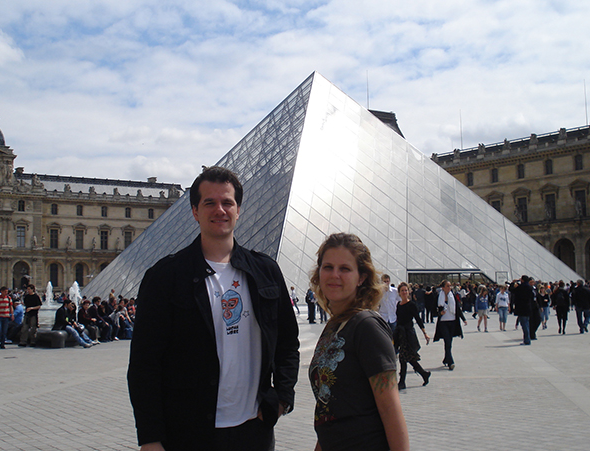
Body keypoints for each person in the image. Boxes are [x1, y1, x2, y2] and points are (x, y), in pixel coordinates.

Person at [128, 166, 300, 451]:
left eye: (227, 202)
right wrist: (150, 438)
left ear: (238, 209)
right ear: (195, 211)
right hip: (188, 432)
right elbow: (144, 365)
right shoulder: (165, 277)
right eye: (209, 203)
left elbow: (286, 341)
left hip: (253, 430)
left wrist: (282, 397)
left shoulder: (266, 271)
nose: (219, 210)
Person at [308, 233, 409, 451]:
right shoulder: (334, 326)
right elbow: (330, 410)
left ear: (361, 277)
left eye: (345, 269)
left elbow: (391, 412)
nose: (335, 275)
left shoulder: (367, 327)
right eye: (328, 267)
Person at [394, 282, 431, 390]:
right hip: (401, 334)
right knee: (408, 358)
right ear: (399, 293)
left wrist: (425, 333)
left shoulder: (411, 305)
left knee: (403, 358)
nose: (404, 292)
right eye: (402, 291)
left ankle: (402, 382)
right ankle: (424, 374)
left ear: (409, 292)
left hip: (408, 334)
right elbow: (398, 320)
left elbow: (418, 319)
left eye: (406, 290)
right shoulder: (398, 305)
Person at [433, 280, 467, 370]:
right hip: (443, 322)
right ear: (443, 287)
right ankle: (450, 362)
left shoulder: (453, 296)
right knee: (447, 341)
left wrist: (463, 319)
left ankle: (446, 359)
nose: (449, 287)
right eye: (447, 286)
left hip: (452, 321)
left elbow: (457, 309)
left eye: (450, 286)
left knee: (449, 342)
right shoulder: (439, 296)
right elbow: (435, 309)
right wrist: (440, 312)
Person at [512, 275, 535, 345]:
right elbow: (532, 296)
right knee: (527, 324)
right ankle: (527, 339)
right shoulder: (529, 287)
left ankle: (527, 340)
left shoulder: (520, 287)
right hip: (528, 307)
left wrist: (513, 283)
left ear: (522, 280)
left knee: (524, 325)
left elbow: (512, 290)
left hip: (521, 308)